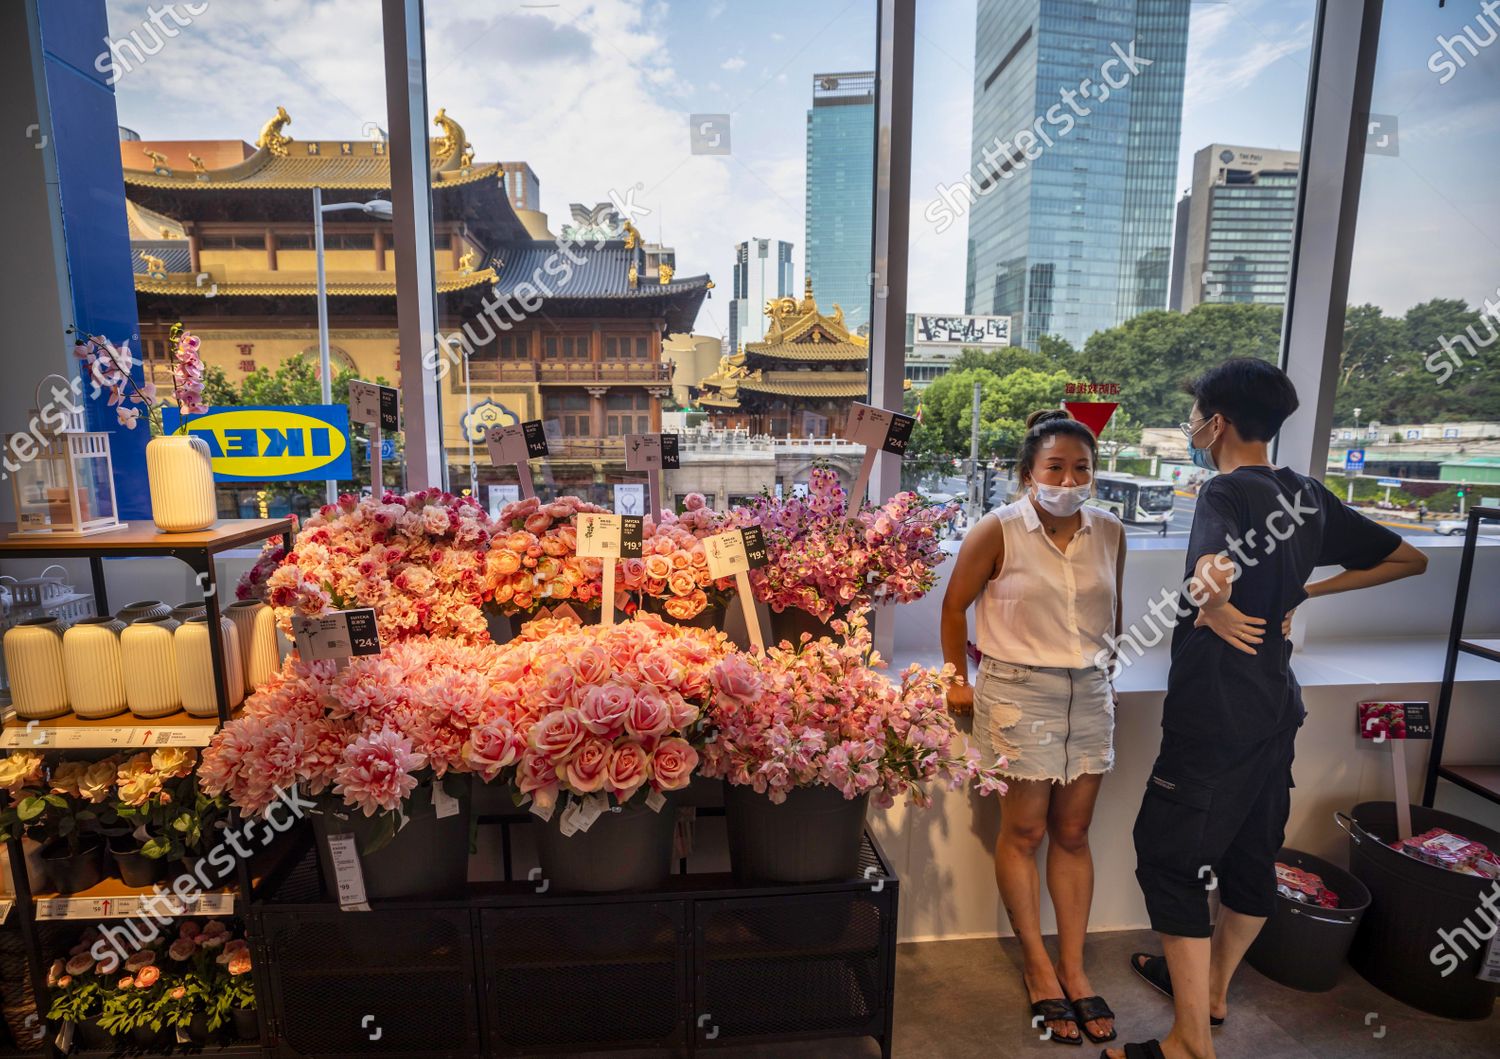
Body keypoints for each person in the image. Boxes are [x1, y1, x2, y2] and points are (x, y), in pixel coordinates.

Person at [1109, 359, 1427, 1059]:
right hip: (1276, 708)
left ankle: (1189, 1041)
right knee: (1251, 854)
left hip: (1216, 711)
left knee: (1168, 857)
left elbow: (1210, 568)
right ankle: (1214, 992)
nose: (1192, 426)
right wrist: (1303, 594)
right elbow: (1409, 559)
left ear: (1216, 423)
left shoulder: (1223, 491)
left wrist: (1213, 596)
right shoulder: (1308, 493)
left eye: (1196, 414)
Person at [942, 409, 1126, 1047]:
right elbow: (953, 606)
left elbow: (1114, 610)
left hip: (1091, 692)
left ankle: (1075, 969)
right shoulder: (997, 530)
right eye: (1055, 466)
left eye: (1081, 467)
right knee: (1023, 830)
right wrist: (955, 680)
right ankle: (1038, 968)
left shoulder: (1110, 530)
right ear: (1027, 474)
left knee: (1073, 833)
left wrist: (1107, 669)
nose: (1069, 478)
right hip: (1019, 691)